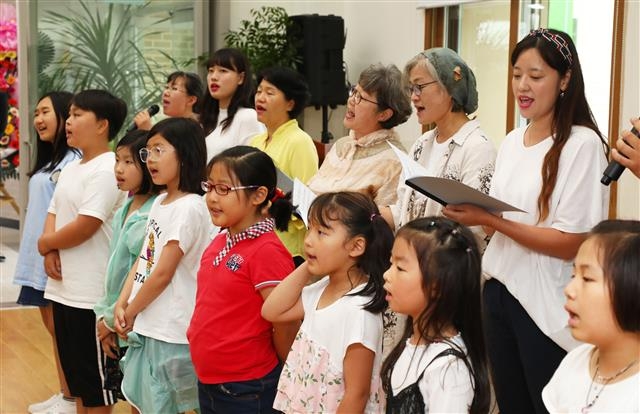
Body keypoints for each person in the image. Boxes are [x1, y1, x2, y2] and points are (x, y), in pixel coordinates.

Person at [443, 28, 610, 414]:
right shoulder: (514, 141)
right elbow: (496, 224)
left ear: (564, 79)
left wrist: (491, 220)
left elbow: (572, 240)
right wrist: (480, 215)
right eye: (517, 74)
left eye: (536, 76)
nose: (523, 85)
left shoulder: (581, 144)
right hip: (498, 291)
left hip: (545, 305)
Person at [188, 145, 300, 414]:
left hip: (246, 387)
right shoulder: (222, 238)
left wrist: (286, 372)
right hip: (211, 380)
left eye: (224, 189)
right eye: (210, 187)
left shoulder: (266, 251)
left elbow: (285, 321)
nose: (212, 198)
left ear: (258, 195)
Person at [37, 89, 128, 413]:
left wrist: (46, 243)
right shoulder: (74, 166)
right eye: (70, 115)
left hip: (91, 295)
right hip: (64, 289)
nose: (69, 122)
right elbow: (53, 212)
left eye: (77, 115)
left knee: (95, 390)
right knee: (78, 387)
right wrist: (48, 250)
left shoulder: (107, 167)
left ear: (102, 125)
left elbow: (86, 225)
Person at [262, 191, 394, 413]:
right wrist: (309, 263)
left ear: (356, 246)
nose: (309, 240)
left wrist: (315, 259)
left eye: (322, 232)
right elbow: (272, 311)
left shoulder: (359, 312)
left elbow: (357, 394)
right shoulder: (323, 288)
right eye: (310, 229)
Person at [113, 118, 212, 413]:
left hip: (172, 331)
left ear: (184, 154)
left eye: (159, 150)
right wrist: (122, 302)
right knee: (142, 404)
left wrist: (130, 311)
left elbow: (163, 274)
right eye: (148, 152)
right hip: (148, 323)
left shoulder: (191, 206)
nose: (150, 159)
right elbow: (146, 259)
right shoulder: (160, 202)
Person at [381, 48, 496, 240]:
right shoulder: (421, 143)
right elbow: (403, 210)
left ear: (449, 87)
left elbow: (476, 230)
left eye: (420, 87)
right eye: (411, 89)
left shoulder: (477, 148)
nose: (414, 97)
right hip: (412, 260)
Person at [13, 91, 80, 414]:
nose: (38, 120)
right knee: (54, 332)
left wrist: (53, 247)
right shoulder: (51, 162)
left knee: (64, 333)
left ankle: (71, 397)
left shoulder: (74, 161)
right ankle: (64, 392)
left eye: (45, 112)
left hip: (54, 258)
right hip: (38, 258)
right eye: (36, 113)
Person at [380, 217, 491, 414]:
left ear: (437, 286)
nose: (386, 275)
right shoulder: (411, 343)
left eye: (400, 268)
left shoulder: (449, 369)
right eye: (391, 263)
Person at [542, 220, 640, 413]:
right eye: (573, 276)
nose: (569, 290)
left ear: (632, 288)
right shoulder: (575, 361)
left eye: (586, 278)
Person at [93, 129, 159, 402]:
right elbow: (114, 272)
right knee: (132, 397)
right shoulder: (127, 206)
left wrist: (111, 320)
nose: (118, 169)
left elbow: (145, 272)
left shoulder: (154, 213)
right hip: (115, 320)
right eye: (117, 161)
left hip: (135, 322)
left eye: (128, 162)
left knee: (146, 399)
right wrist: (105, 317)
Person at [307, 63, 411, 205]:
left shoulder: (394, 163)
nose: (351, 100)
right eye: (354, 92)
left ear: (384, 114)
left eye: (361, 98)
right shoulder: (342, 145)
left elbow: (380, 223)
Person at [250, 67, 319, 264]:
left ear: (290, 103)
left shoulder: (300, 142)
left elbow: (306, 204)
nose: (260, 98)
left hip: (286, 248)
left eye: (270, 93)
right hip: (256, 239)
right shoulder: (255, 142)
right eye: (259, 91)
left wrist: (274, 206)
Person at [200, 48, 265, 161]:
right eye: (211, 71)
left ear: (240, 78)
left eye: (223, 71)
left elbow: (253, 166)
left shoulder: (247, 117)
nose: (214, 77)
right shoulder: (207, 119)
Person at [132, 71, 204, 130]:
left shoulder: (197, 128)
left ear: (191, 100)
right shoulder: (166, 126)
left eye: (174, 88)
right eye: (166, 87)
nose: (166, 93)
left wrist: (147, 130)